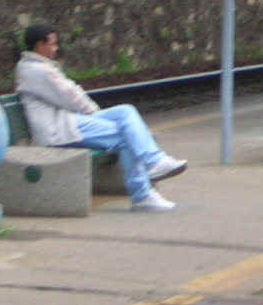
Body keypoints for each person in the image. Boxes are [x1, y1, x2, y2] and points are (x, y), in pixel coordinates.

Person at [15, 23, 187, 212]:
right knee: (126, 135)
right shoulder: (37, 71)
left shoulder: (36, 67)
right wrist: (93, 114)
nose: (56, 48)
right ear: (40, 45)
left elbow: (70, 95)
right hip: (58, 129)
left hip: (67, 121)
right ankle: (142, 194)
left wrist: (93, 114)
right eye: (53, 44)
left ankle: (155, 161)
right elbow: (70, 96)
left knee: (125, 111)